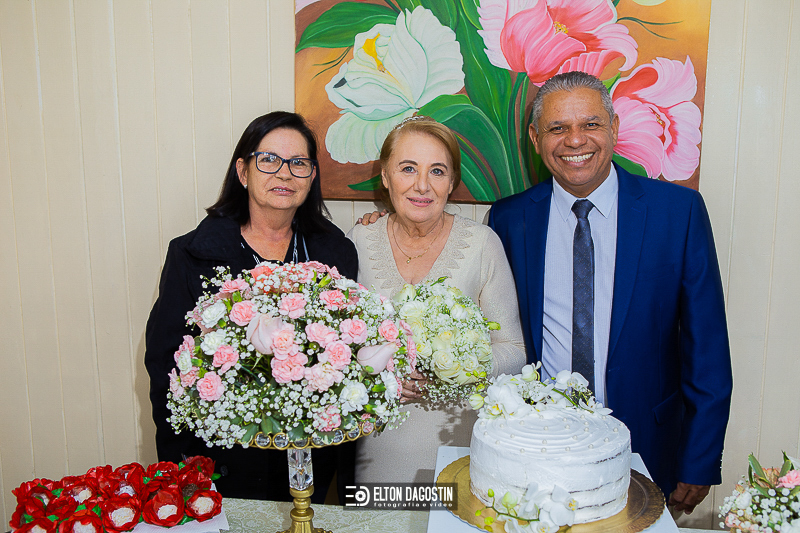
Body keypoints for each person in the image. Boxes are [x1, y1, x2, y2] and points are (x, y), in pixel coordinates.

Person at [487, 71, 733, 514]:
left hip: (648, 444)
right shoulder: (508, 219)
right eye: (557, 128)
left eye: (591, 124)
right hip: (538, 446)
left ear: (614, 128)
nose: (575, 140)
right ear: (536, 138)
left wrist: (700, 459)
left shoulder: (677, 213)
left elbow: (708, 351)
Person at [144, 111, 358, 502]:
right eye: (269, 160)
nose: (285, 174)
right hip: (223, 464)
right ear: (243, 172)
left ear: (312, 176)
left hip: (310, 457)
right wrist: (183, 474)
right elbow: (165, 370)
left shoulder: (336, 252)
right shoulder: (192, 255)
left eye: (298, 163)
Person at [347, 116, 526, 484]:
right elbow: (336, 346)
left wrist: (455, 368)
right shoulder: (359, 240)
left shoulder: (482, 244)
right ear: (385, 176)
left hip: (459, 448)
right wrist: (381, 374)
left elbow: (514, 350)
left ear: (452, 182)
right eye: (408, 168)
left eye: (437, 171)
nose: (422, 185)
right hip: (377, 450)